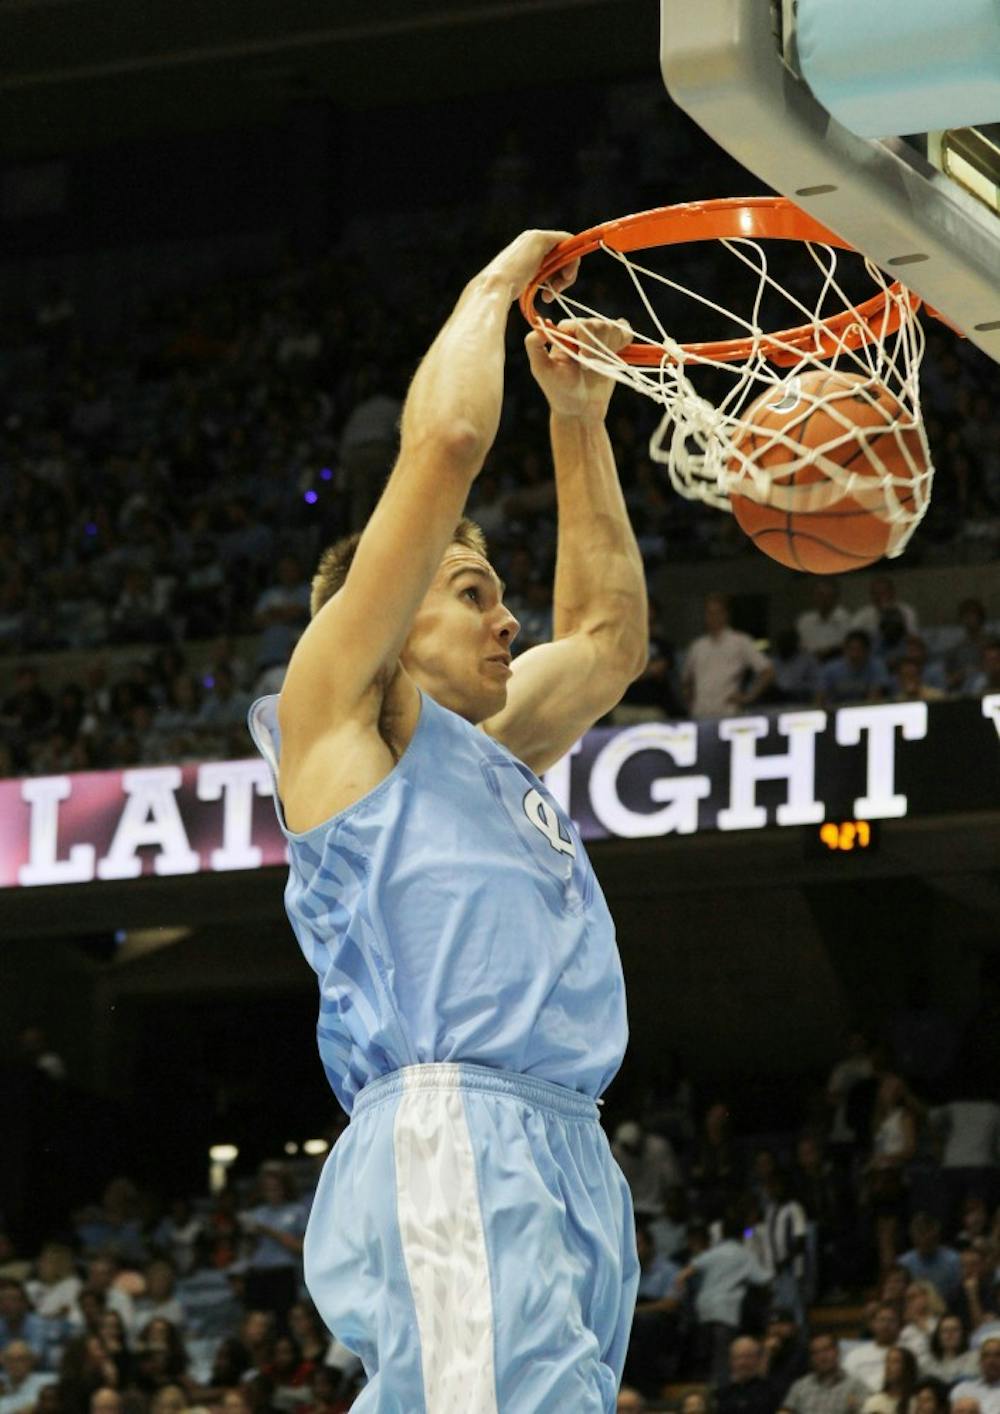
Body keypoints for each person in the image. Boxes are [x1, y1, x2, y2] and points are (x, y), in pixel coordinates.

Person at [247, 230, 647, 1411]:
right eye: (475, 590)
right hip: (456, 1124)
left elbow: (613, 638)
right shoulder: (343, 719)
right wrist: (489, 288)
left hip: (566, 1135)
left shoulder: (483, 748)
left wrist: (578, 418)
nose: (507, 620)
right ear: (379, 612)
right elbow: (452, 442)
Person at [675, 1211, 772, 1386]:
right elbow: (763, 1279)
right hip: (726, 1308)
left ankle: (704, 1386)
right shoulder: (744, 1254)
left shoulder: (714, 1253)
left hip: (704, 1307)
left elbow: (686, 1272)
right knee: (722, 1355)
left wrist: (681, 1290)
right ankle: (719, 1389)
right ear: (742, 1234)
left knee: (705, 1353)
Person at [682, 593, 774, 718]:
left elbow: (768, 671)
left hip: (728, 713)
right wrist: (690, 704)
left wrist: (748, 697)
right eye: (709, 613)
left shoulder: (740, 641)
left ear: (725, 614)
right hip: (700, 714)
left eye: (717, 612)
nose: (713, 617)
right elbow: (687, 681)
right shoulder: (697, 646)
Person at [785, 1331, 869, 1414]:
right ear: (810, 1358)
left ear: (837, 1351)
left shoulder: (855, 1386)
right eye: (815, 1353)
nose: (822, 1357)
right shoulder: (800, 1387)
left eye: (826, 1350)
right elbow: (785, 1411)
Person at [899, 1217, 962, 1308]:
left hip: (948, 1308)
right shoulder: (904, 1263)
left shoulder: (953, 1260)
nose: (925, 1242)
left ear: (937, 1238)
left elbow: (957, 1293)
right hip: (912, 1311)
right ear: (914, 1239)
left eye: (930, 1240)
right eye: (921, 1239)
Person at [844, 1304, 904, 1394]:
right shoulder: (855, 1356)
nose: (886, 1325)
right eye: (882, 1320)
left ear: (899, 1326)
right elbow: (846, 1384)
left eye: (891, 1320)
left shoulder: (906, 1354)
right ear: (873, 1324)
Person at [715, 1336, 777, 1414]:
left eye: (748, 1357)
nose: (743, 1363)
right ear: (730, 1361)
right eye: (738, 1357)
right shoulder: (721, 1392)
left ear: (758, 1359)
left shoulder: (771, 1391)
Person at [796, 579, 852, 662]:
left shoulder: (845, 618)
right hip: (810, 664)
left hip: (837, 663)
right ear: (814, 597)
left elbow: (848, 646)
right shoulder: (804, 621)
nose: (824, 600)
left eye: (828, 596)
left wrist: (827, 652)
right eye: (820, 595)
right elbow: (800, 648)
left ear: (836, 598)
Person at [922, 1316, 979, 1386]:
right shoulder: (928, 1363)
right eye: (945, 1330)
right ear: (938, 1336)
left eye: (955, 1330)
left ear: (963, 1334)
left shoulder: (975, 1358)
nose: (950, 1334)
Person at [861, 1346, 918, 1414]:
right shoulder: (874, 1402)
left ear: (907, 1367)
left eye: (895, 1362)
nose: (888, 1366)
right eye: (887, 1361)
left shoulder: (917, 1402)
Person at [950, 1338, 1000, 1414]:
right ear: (980, 1361)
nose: (991, 1360)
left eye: (997, 1355)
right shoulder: (962, 1390)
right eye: (986, 1355)